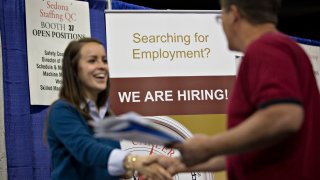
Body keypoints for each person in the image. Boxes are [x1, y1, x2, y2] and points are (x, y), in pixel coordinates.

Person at [144, 0, 320, 179]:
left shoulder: (266, 49)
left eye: (221, 17)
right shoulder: (289, 50)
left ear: (234, 15)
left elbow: (285, 116)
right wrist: (178, 165)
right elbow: (249, 149)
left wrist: (208, 146)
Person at [43, 38, 172, 180]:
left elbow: (107, 165)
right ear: (74, 70)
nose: (102, 66)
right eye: (92, 61)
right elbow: (87, 150)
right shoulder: (62, 110)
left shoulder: (107, 116)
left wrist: (137, 170)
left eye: (104, 60)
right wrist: (134, 162)